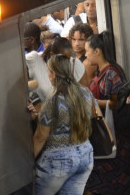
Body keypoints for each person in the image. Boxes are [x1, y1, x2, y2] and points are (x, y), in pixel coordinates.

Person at [33, 55, 96, 194]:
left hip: (58, 160)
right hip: (85, 153)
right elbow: (91, 115)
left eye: (48, 71)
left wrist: (29, 160)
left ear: (53, 74)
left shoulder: (52, 101)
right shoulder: (85, 92)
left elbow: (40, 137)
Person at [84, 31, 130, 194]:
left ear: (97, 51)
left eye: (87, 51)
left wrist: (93, 102)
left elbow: (115, 103)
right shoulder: (100, 72)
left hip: (115, 136)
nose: (86, 55)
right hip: (105, 133)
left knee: (120, 178)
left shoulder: (112, 74)